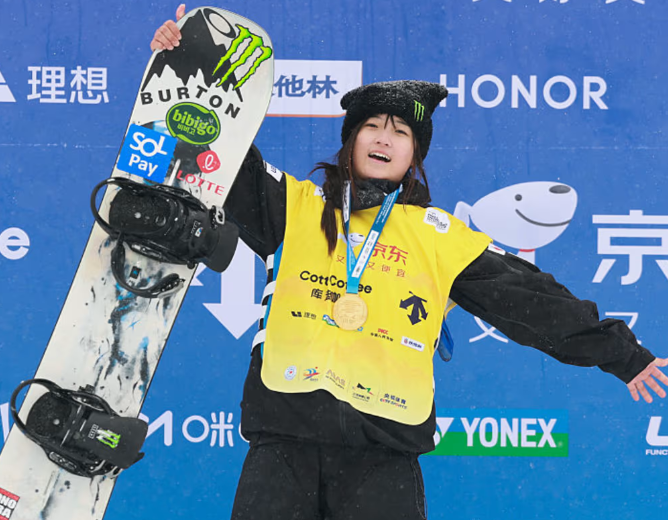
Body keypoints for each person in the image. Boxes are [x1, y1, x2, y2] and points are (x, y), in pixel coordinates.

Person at [151, 6, 668, 520]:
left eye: (400, 133)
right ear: (350, 141)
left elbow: (529, 300)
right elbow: (220, 156)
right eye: (371, 126)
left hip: (384, 455)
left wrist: (620, 354)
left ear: (413, 156)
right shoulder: (295, 206)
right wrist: (184, 69)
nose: (383, 138)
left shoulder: (437, 236)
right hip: (284, 444)